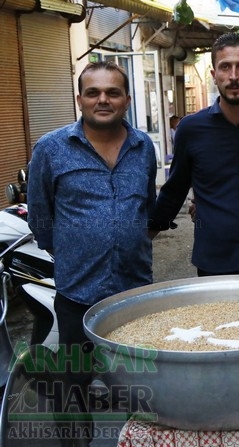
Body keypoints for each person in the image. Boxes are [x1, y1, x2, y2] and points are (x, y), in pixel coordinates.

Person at [27, 61, 157, 446]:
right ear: (80, 98)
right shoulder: (51, 149)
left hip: (134, 294)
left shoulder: (143, 146)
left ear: (127, 100)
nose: (104, 99)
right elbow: (39, 215)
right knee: (74, 388)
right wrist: (71, 254)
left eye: (113, 92)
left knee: (142, 387)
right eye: (94, 92)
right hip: (77, 295)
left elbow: (146, 207)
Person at [148, 32, 239, 276]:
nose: (233, 76)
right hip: (214, 262)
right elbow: (175, 189)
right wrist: (142, 239)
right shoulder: (191, 129)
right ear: (214, 75)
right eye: (225, 67)